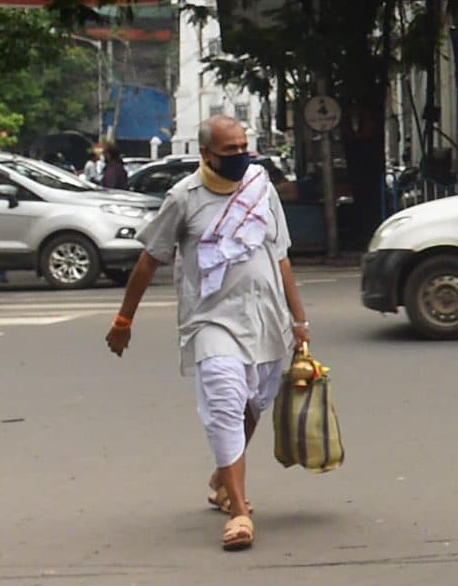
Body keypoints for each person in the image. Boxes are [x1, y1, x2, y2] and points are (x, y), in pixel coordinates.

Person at [104, 115, 312, 551]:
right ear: (206, 154)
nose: (240, 156)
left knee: (253, 402)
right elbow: (150, 260)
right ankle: (238, 512)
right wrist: (124, 321)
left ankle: (222, 479)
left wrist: (299, 321)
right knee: (224, 398)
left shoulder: (260, 187)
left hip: (266, 316)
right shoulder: (184, 198)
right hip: (212, 320)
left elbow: (281, 257)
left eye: (243, 147)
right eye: (230, 150)